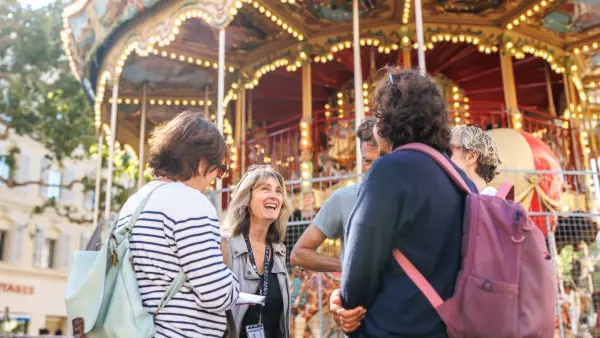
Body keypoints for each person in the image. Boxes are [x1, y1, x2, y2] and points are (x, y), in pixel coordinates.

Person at [337, 68, 477, 337]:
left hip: (397, 325)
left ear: (388, 120)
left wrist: (349, 307)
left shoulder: (390, 170)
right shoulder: (459, 178)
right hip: (447, 325)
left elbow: (361, 260)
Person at [115, 111, 239, 337]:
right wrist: (230, 274)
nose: (215, 179)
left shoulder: (134, 202)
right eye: (219, 170)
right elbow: (216, 294)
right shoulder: (192, 203)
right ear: (202, 163)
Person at [290, 117, 379, 272]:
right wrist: (347, 265)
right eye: (368, 161)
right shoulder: (345, 198)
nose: (375, 168)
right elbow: (299, 254)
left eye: (382, 159)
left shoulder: (410, 195)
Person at [221, 165, 292, 338]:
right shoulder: (225, 246)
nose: (274, 196)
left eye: (278, 191)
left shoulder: (278, 251)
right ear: (247, 199)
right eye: (265, 189)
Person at [449, 124, 502, 195]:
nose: (443, 156)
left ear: (471, 157)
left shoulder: (491, 204)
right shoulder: (492, 201)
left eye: (448, 150)